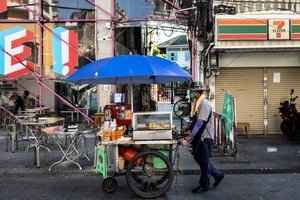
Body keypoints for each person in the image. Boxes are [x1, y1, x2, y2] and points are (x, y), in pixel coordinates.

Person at [186, 86, 224, 193]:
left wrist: (190, 137)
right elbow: (196, 120)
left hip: (204, 137)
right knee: (201, 160)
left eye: (193, 92)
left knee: (203, 162)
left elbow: (200, 123)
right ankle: (218, 175)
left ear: (198, 93)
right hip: (201, 136)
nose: (192, 94)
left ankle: (204, 184)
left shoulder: (204, 104)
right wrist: (188, 128)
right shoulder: (199, 103)